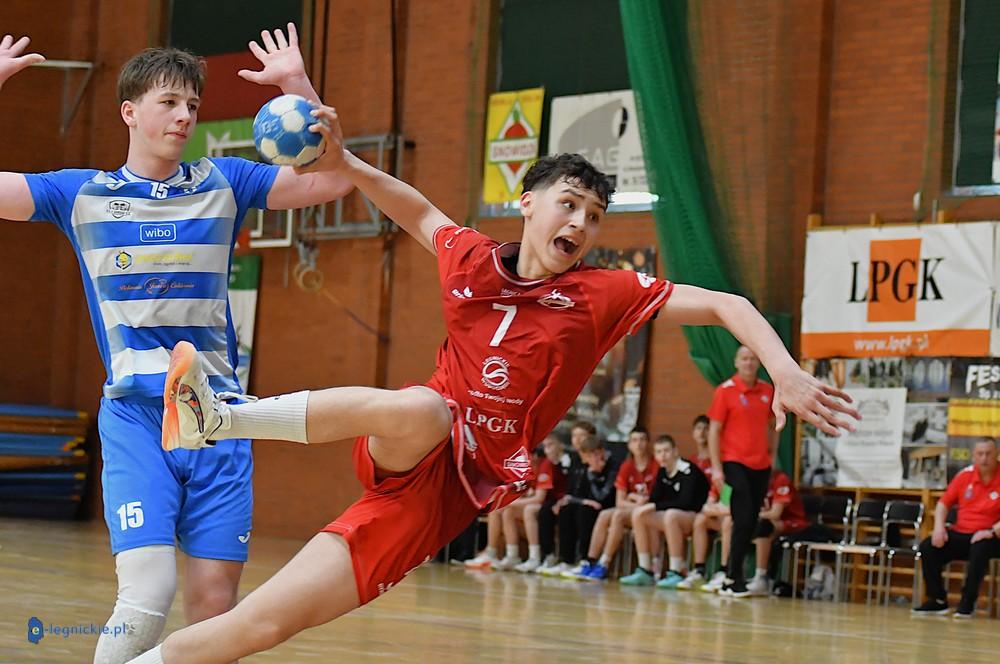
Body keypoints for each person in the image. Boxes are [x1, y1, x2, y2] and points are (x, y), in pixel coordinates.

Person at [128, 104, 856, 662]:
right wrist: (345, 162)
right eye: (568, 203)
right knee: (424, 406)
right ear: (527, 203)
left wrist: (786, 371)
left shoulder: (603, 294)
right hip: (411, 442)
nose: (581, 222)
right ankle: (219, 418)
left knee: (255, 625)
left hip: (447, 494)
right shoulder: (472, 259)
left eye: (595, 216)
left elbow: (728, 304)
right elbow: (415, 209)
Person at [0, 28, 354, 663]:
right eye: (168, 102)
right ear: (129, 111)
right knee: (147, 595)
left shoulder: (226, 180)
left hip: (222, 418)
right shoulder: (80, 194)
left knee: (216, 608)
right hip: (138, 418)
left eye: (192, 104)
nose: (184, 116)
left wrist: (296, 88)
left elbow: (330, 183)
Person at [708, 346, 778, 597]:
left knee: (749, 520)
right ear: (736, 362)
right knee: (743, 517)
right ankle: (732, 576)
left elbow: (773, 425)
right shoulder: (725, 391)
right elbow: (714, 430)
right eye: (744, 359)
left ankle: (732, 575)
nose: (749, 363)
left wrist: (772, 455)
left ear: (758, 363)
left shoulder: (767, 391)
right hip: (734, 462)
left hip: (761, 464)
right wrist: (717, 468)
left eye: (753, 359)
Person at [913, 437, 1000, 618]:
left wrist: (991, 531)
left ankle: (967, 603)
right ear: (974, 456)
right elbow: (943, 504)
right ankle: (937, 600)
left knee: (980, 548)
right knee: (928, 546)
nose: (984, 458)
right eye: (980, 454)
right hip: (963, 532)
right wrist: (939, 528)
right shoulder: (964, 476)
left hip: (992, 536)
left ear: (997, 455)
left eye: (988, 454)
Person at [619, 434, 709, 587]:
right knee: (639, 514)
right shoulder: (663, 471)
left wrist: (654, 506)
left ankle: (676, 570)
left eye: (666, 451)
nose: (663, 455)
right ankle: (645, 570)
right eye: (659, 452)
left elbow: (685, 503)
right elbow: (655, 498)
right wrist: (646, 504)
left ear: (675, 451)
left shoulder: (687, 470)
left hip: (696, 516)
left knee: (670, 515)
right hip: (675, 516)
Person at [568, 426, 657, 580]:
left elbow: (656, 497)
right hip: (633, 508)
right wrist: (634, 500)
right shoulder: (627, 466)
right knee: (604, 515)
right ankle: (590, 561)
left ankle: (604, 563)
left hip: (650, 510)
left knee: (618, 516)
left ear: (648, 443)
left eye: (642, 440)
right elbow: (620, 501)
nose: (639, 444)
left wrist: (634, 499)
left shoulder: (656, 465)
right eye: (635, 440)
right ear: (629, 445)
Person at [545, 435, 618, 576]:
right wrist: (582, 501)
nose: (586, 460)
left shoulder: (612, 468)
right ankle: (567, 561)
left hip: (607, 508)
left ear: (600, 452)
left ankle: (585, 560)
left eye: (588, 456)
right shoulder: (586, 467)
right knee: (566, 510)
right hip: (590, 505)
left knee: (585, 512)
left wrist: (593, 476)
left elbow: (601, 498)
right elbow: (576, 494)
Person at [745, 468, 808, 596]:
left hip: (792, 522)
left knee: (763, 527)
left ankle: (762, 577)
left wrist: (754, 515)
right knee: (737, 525)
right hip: (770, 520)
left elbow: (775, 514)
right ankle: (730, 574)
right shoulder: (753, 480)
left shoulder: (780, 479)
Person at [511, 434, 567, 572]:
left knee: (529, 510)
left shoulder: (546, 464)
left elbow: (540, 498)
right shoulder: (526, 467)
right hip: (546, 502)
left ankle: (535, 557)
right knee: (505, 511)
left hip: (554, 502)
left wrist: (512, 503)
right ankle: (510, 555)